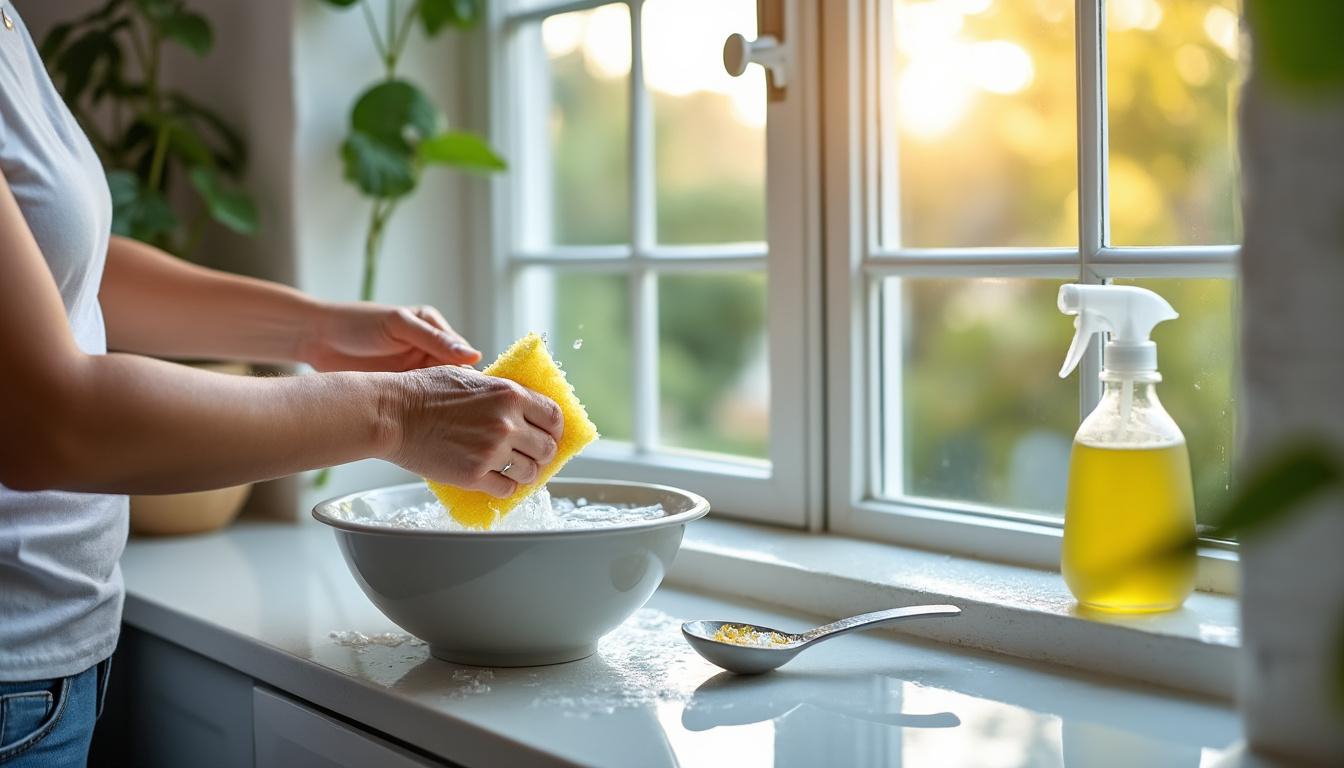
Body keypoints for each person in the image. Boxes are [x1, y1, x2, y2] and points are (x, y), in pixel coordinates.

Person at [0, 4, 562, 764]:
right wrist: (396, 414)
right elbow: (48, 423)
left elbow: (64, 271)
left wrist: (313, 329)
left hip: (54, 653)